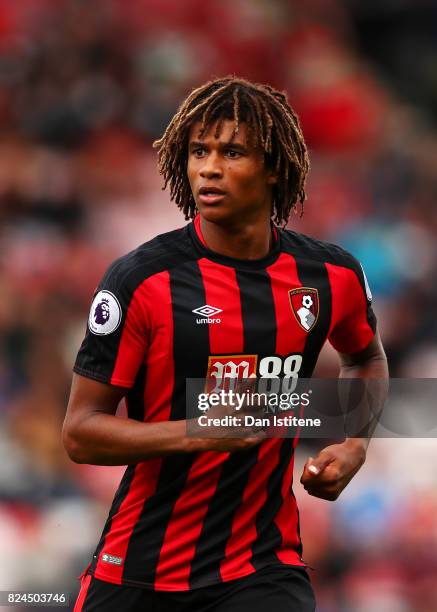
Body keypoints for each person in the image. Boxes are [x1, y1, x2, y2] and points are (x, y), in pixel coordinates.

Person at [63, 76, 388, 612]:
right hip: (141, 569)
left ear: (274, 168)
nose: (208, 168)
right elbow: (80, 434)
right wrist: (197, 432)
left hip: (261, 566)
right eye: (198, 152)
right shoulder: (141, 280)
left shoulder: (330, 275)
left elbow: (365, 358)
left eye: (232, 152)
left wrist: (354, 442)